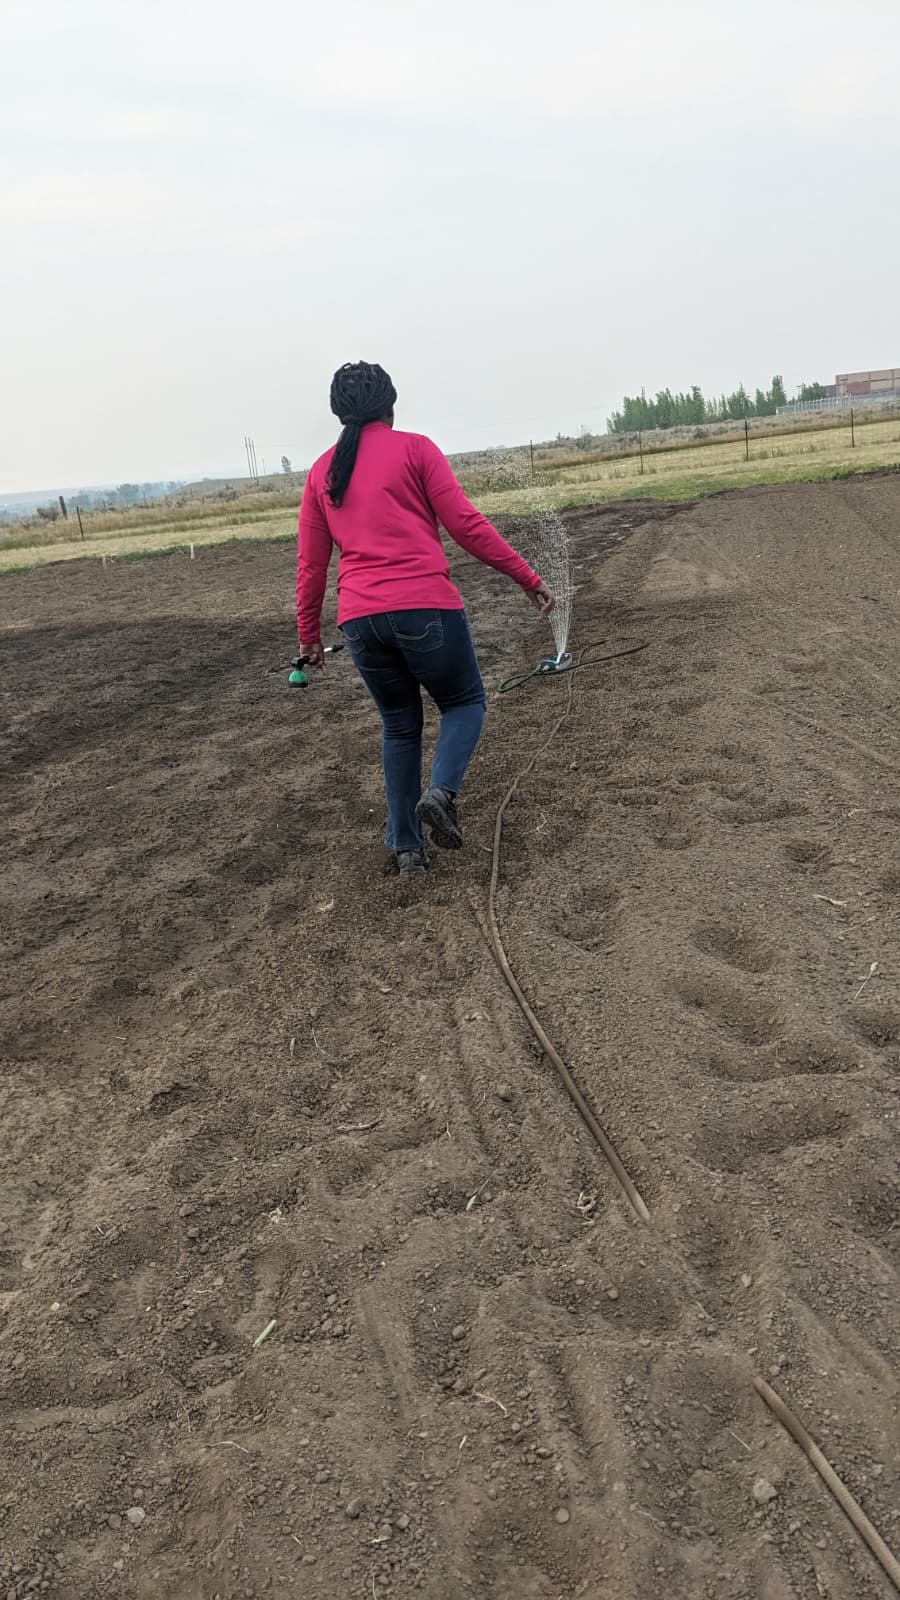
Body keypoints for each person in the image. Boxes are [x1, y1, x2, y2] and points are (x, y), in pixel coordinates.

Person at [296, 361, 555, 875]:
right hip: (426, 608)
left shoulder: (322, 471)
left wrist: (308, 638)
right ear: (390, 405)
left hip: (360, 622)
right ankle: (441, 792)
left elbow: (311, 565)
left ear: (338, 411)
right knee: (464, 701)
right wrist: (526, 576)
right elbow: (466, 525)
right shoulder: (416, 449)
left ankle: (408, 850)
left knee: (399, 726)